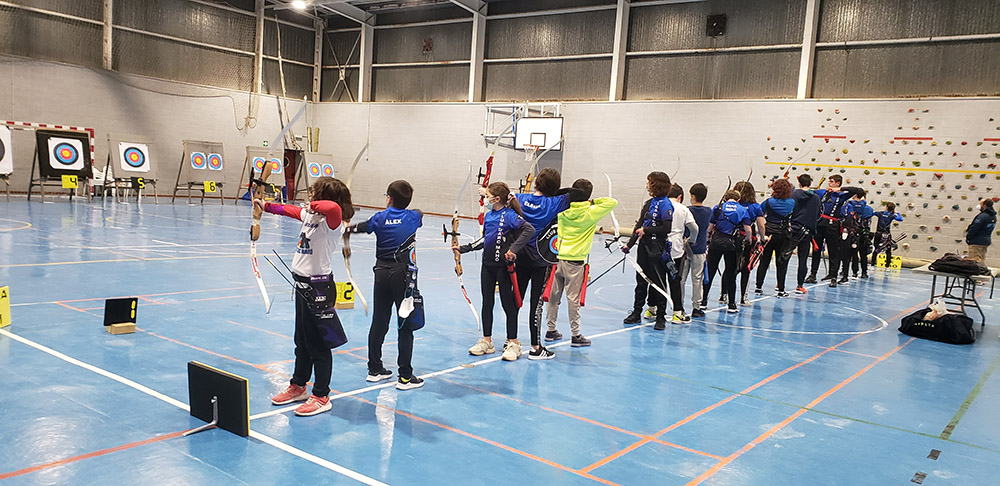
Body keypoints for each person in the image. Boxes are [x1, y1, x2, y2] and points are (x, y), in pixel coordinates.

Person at [259, 177, 354, 416]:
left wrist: (312, 205)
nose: (310, 197)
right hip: (302, 286)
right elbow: (290, 210)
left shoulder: (334, 222)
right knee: (301, 341)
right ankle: (298, 385)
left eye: (314, 193)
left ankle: (321, 395)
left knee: (318, 344)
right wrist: (266, 205)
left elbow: (333, 208)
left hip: (319, 287)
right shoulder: (312, 217)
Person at [346, 180, 424, 390]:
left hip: (381, 273)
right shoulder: (413, 217)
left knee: (379, 321)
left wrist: (348, 228)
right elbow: (419, 212)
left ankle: (375, 369)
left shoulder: (380, 218)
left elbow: (363, 227)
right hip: (403, 276)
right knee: (405, 325)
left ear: (389, 198)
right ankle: (405, 377)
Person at [456, 182, 535, 361]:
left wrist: (513, 249)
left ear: (496, 199)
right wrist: (464, 248)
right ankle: (487, 341)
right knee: (487, 302)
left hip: (504, 267)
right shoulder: (490, 216)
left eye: (487, 196)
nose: (485, 199)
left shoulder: (510, 216)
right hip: (488, 266)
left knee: (508, 304)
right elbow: (486, 240)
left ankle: (513, 342)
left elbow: (528, 229)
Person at [546, 179, 618, 342]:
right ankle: (575, 334)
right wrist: (591, 201)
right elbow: (612, 202)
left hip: (557, 257)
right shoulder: (590, 212)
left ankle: (551, 330)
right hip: (575, 261)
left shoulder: (563, 210)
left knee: (553, 296)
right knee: (573, 299)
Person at [515, 168, 572, 359]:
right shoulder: (555, 202)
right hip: (541, 261)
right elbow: (577, 191)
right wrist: (555, 191)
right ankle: (536, 347)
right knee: (536, 306)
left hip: (519, 256)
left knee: (515, 300)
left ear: (537, 183)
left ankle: (511, 342)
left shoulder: (520, 198)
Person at [622, 172, 674, 330]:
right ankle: (637, 312)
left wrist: (648, 230)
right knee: (641, 281)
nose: (647, 185)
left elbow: (666, 228)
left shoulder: (666, 204)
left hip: (657, 247)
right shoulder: (649, 203)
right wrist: (629, 245)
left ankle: (660, 317)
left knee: (658, 282)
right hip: (644, 247)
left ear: (656, 184)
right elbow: (639, 224)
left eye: (649, 182)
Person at [703, 190, 753, 313]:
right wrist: (748, 240)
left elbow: (709, 228)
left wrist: (708, 240)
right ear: (738, 199)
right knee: (731, 273)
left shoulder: (718, 207)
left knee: (710, 271)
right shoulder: (742, 209)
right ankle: (731, 304)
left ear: (725, 198)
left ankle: (703, 301)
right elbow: (748, 230)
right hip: (731, 244)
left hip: (716, 242)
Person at [806, 175, 852, 287]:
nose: (829, 184)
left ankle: (833, 276)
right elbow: (808, 191)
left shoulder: (842, 195)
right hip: (820, 223)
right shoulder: (823, 193)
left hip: (833, 225)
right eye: (829, 181)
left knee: (833, 251)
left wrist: (840, 189)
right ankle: (813, 274)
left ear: (837, 183)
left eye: (832, 182)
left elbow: (857, 190)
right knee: (816, 250)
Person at [754, 178, 795, 297]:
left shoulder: (768, 202)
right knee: (782, 262)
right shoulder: (792, 202)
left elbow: (759, 215)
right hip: (784, 234)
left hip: (769, 233)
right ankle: (781, 289)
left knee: (764, 261)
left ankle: (758, 286)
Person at [664, 183, 698, 322]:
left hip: (658, 246)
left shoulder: (660, 205)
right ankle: (677, 312)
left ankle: (651, 309)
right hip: (675, 248)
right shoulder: (683, 208)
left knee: (657, 279)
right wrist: (692, 240)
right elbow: (694, 227)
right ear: (680, 197)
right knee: (675, 280)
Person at [732, 181, 765, 306]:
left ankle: (724, 295)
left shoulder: (733, 206)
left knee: (731, 267)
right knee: (746, 267)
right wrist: (762, 238)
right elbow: (761, 225)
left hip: (733, 238)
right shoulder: (755, 206)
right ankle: (743, 298)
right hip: (747, 238)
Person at [682, 183, 712, 318]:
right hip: (699, 249)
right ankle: (696, 307)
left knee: (681, 279)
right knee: (697, 279)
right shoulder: (709, 211)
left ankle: (679, 306)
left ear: (692, 196)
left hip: (684, 248)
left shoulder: (686, 210)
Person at [789, 174, 820, 294]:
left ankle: (780, 283)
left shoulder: (794, 194)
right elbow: (817, 215)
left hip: (794, 229)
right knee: (803, 259)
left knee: (785, 257)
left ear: (799, 183)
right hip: (807, 231)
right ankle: (800, 285)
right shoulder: (816, 197)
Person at [848, 190, 874, 278]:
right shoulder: (869, 209)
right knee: (863, 254)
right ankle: (864, 272)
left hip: (855, 233)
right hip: (863, 233)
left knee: (854, 254)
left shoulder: (851, 206)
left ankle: (855, 272)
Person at [870, 202, 903, 268]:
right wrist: (898, 213)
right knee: (888, 250)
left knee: (876, 249)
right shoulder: (892, 215)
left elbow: (872, 213)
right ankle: (887, 266)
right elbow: (900, 219)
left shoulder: (881, 213)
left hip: (879, 233)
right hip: (887, 234)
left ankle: (872, 265)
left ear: (886, 207)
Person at [966, 198, 997, 264]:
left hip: (976, 242)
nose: (979, 205)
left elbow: (975, 228)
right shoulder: (993, 216)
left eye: (981, 204)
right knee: (981, 260)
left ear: (984, 206)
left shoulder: (982, 216)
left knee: (974, 262)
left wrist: (969, 237)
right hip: (985, 241)